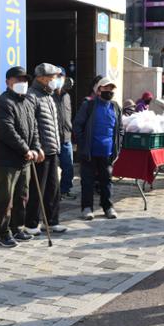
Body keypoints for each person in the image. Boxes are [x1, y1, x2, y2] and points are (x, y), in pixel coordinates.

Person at [0, 66, 42, 248]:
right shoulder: (2, 103)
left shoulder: (27, 102)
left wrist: (36, 147)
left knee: (22, 196)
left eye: (24, 80)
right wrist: (25, 149)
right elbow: (6, 131)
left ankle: (17, 227)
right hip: (6, 160)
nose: (22, 83)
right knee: (5, 198)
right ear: (8, 82)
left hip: (25, 160)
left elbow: (34, 127)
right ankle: (2, 233)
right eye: (17, 80)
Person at [25, 63, 68, 235]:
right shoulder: (32, 96)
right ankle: (31, 224)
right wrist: (37, 147)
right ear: (42, 78)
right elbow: (32, 125)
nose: (56, 80)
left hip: (53, 149)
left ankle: (51, 221)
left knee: (53, 188)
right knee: (38, 188)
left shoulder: (49, 96)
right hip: (41, 151)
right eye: (53, 77)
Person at [73, 77, 123, 221]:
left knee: (106, 181)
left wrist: (117, 148)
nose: (109, 91)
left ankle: (107, 206)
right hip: (89, 152)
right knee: (87, 181)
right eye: (106, 88)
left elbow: (120, 129)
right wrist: (83, 144)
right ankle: (87, 208)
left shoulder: (115, 107)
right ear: (99, 90)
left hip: (107, 153)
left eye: (111, 89)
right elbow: (77, 125)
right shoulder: (88, 105)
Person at [53, 71, 76, 200]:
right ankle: (54, 192)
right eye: (57, 76)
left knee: (68, 167)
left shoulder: (67, 96)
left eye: (61, 76)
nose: (59, 79)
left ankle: (65, 190)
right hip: (52, 138)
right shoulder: (48, 96)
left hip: (66, 137)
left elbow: (69, 115)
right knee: (52, 170)